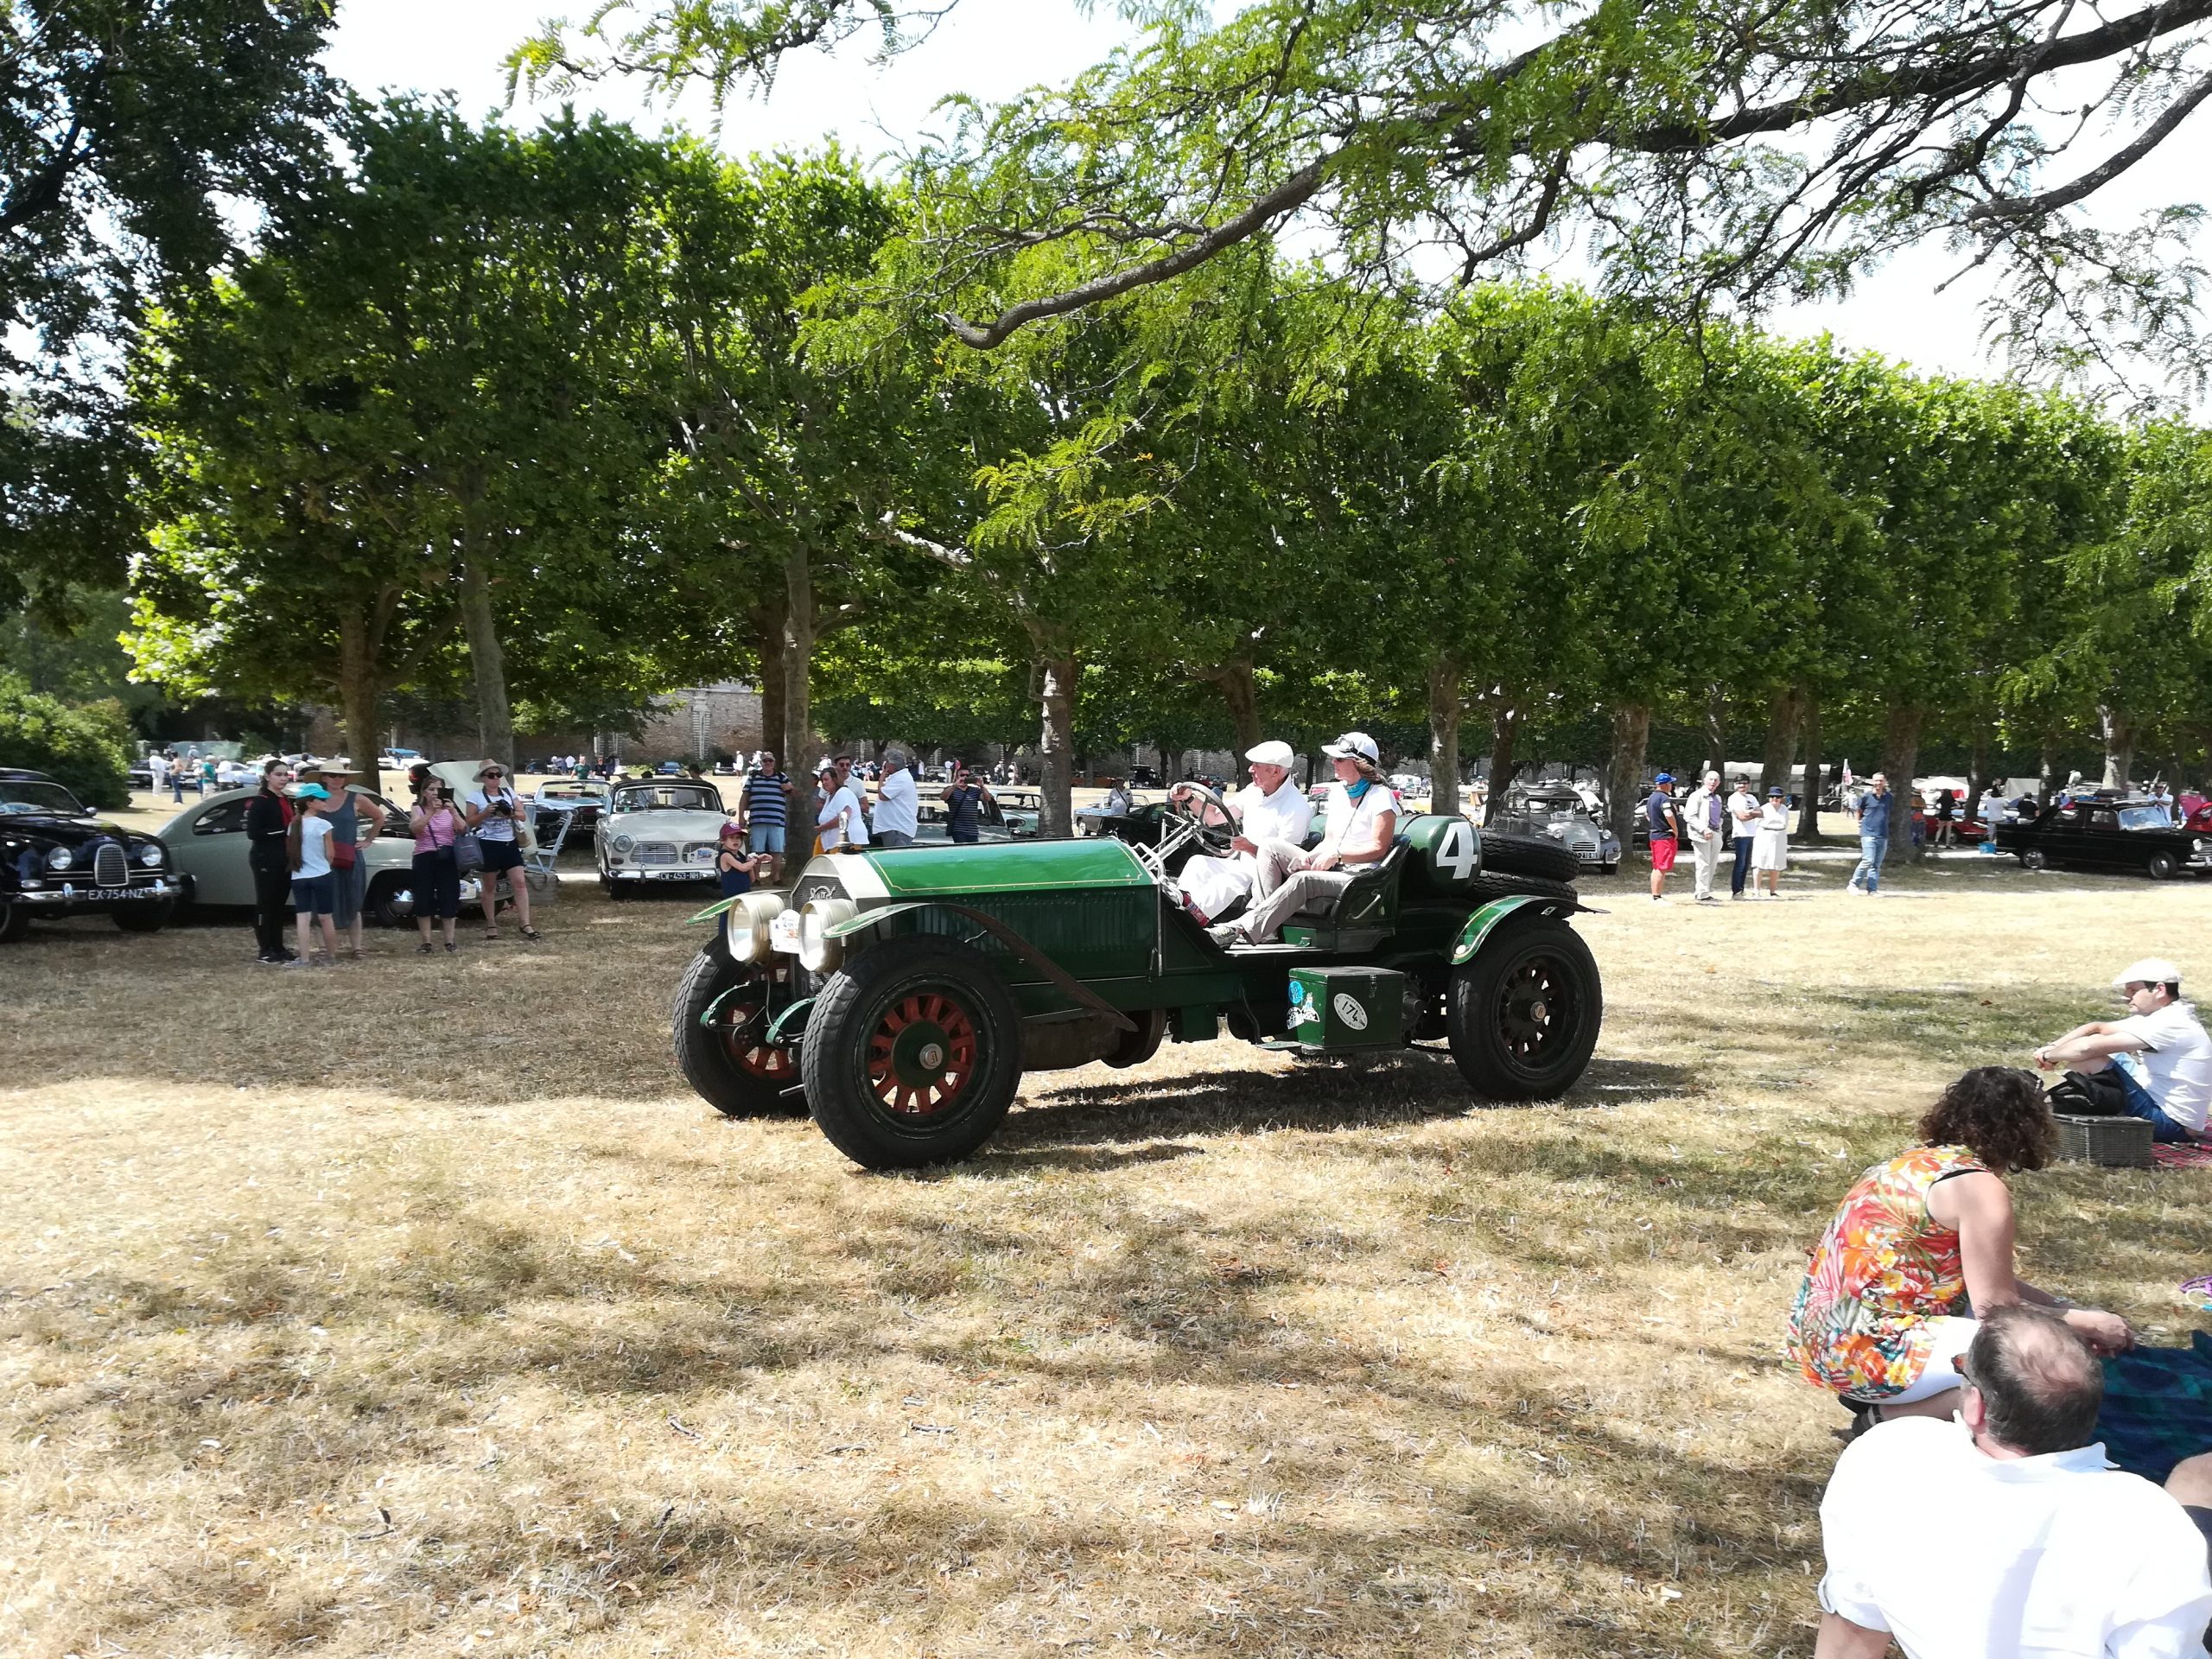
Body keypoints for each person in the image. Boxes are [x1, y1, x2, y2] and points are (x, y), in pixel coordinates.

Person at [1815, 1306, 2212, 1659]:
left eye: (1961, 1369)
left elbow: (1852, 1626)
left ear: (1977, 1405)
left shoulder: (1887, 1458)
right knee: (2196, 1476)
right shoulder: (2146, 1519)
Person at [1788, 1066, 2134, 1436]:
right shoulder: (1979, 1189)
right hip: (1871, 1351)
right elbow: (1996, 1309)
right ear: (2030, 1128)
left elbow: (1981, 1279)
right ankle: (1886, 1418)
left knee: (2042, 1333)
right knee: (2036, 1362)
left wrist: (2067, 1308)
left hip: (1824, 1338)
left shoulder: (1910, 1163)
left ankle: (1893, 1398)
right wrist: (2085, 1324)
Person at [1217, 732, 1396, 946]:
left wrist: (1338, 856)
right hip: (1334, 866)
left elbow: (1379, 848)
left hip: (1358, 876)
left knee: (1302, 880)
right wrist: (1310, 858)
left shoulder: (1381, 796)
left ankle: (1241, 928)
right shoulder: (1339, 792)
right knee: (1269, 846)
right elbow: (1329, 840)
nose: (1333, 762)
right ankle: (1266, 931)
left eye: (1339, 759)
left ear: (1358, 763)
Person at [2033, 958, 2212, 1144]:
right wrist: (2054, 1047)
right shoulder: (2168, 1014)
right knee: (2096, 1046)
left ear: (2159, 990)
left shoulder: (2170, 1024)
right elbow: (2095, 1027)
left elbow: (2085, 1049)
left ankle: (2069, 1112)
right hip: (2157, 1100)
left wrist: (2048, 1056)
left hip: (2172, 1125)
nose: (2126, 996)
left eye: (2133, 990)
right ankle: (2073, 1106)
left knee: (2089, 1059)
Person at [1171, 741, 1313, 925]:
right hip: (1242, 865)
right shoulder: (1253, 792)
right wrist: (1189, 798)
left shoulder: (1296, 808)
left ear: (1275, 772)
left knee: (1223, 883)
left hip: (1264, 878)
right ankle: (1176, 907)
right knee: (1198, 862)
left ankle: (1187, 925)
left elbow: (1285, 864)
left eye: (1257, 766)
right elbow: (1213, 817)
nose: (1250, 770)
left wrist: (1250, 848)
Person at [302, 761, 376, 960]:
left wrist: (368, 840)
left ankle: (357, 947)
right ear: (323, 778)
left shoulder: (356, 798)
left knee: (353, 901)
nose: (337, 779)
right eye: (332, 775)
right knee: (320, 903)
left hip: (348, 857)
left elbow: (379, 817)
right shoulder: (314, 800)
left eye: (341, 776)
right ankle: (323, 947)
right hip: (320, 859)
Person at [463, 760, 540, 942]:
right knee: (489, 886)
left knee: (520, 883)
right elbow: (469, 822)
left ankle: (525, 922)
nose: (496, 779)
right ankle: (491, 924)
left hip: (509, 843)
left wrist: (510, 813)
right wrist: (486, 813)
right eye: (491, 776)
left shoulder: (507, 793)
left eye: (498, 775)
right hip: (488, 844)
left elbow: (522, 814)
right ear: (483, 778)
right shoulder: (475, 796)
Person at [284, 782, 341, 967]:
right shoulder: (323, 825)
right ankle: (331, 957)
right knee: (326, 917)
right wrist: (325, 865)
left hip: (299, 876)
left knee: (303, 918)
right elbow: (330, 854)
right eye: (321, 799)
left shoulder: (293, 825)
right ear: (310, 803)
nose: (325, 801)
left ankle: (305, 958)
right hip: (322, 874)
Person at [407, 774, 465, 954]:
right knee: (423, 896)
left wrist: (453, 811)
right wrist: (431, 812)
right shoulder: (418, 809)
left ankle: (449, 941)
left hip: (447, 856)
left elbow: (463, 829)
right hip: (425, 855)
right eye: (431, 789)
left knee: (449, 896)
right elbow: (415, 829)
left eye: (438, 789)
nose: (434, 793)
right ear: (424, 792)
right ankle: (427, 942)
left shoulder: (450, 810)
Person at [245, 760, 296, 964]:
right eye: (278, 774)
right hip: (265, 857)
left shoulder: (284, 799)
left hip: (284, 857)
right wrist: (283, 832)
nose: (283, 778)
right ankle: (265, 948)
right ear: (268, 776)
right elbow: (253, 833)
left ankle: (278, 946)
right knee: (266, 904)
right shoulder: (261, 801)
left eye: (285, 774)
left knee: (278, 905)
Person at [714, 821, 768, 945]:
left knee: (743, 927)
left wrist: (755, 861)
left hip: (744, 898)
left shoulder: (740, 856)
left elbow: (752, 878)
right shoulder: (725, 856)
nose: (736, 840)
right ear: (723, 840)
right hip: (731, 900)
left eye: (738, 837)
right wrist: (753, 861)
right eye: (731, 837)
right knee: (727, 931)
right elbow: (742, 868)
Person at [738, 749, 791, 875]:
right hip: (757, 820)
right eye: (765, 760)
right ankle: (756, 878)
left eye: (770, 760)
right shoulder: (753, 777)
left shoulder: (781, 777)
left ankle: (776, 878)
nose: (768, 763)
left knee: (777, 850)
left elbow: (793, 793)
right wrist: (741, 817)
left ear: (774, 762)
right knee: (757, 851)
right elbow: (744, 797)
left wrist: (790, 788)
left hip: (777, 820)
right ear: (761, 762)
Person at [1681, 769, 1726, 903]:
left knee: (1712, 865)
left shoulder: (1717, 798)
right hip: (1701, 834)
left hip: (1715, 833)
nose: (1713, 782)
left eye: (1716, 780)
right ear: (1705, 780)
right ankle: (1702, 893)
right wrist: (1703, 829)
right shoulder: (1697, 795)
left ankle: (1705, 891)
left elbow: (1718, 817)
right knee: (1703, 864)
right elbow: (1689, 816)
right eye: (1711, 779)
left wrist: (1719, 830)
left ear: (1719, 783)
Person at [1846, 771, 1891, 894]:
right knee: (1868, 859)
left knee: (1876, 864)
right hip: (1868, 833)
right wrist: (1859, 823)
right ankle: (1853, 884)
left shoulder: (1888, 797)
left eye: (1881, 781)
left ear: (1885, 782)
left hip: (1883, 834)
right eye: (1876, 781)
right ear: (1872, 782)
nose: (1878, 783)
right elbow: (1859, 811)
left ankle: (1872, 889)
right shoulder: (1866, 796)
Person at [816, 758, 870, 853]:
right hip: (834, 843)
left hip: (848, 842)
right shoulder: (829, 797)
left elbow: (844, 817)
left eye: (826, 779)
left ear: (835, 780)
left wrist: (822, 828)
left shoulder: (843, 792)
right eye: (822, 780)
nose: (824, 783)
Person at [1645, 772, 1681, 902]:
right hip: (1664, 836)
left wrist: (1655, 822)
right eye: (1670, 783)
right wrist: (1675, 829)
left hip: (1654, 835)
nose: (1671, 786)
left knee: (1656, 867)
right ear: (1665, 785)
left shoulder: (1651, 798)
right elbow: (1668, 813)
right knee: (1661, 867)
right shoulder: (1664, 799)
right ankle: (1657, 896)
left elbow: (1647, 814)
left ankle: (1656, 894)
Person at [873, 749, 920, 849]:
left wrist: (881, 780)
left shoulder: (901, 779)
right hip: (894, 828)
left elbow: (883, 796)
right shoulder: (899, 777)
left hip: (897, 829)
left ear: (891, 764)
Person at [942, 761, 995, 844]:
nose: (965, 777)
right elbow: (943, 797)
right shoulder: (951, 789)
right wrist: (954, 785)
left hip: (973, 829)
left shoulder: (975, 791)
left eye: (967, 775)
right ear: (957, 777)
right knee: (962, 850)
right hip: (958, 829)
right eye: (962, 775)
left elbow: (987, 799)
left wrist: (982, 786)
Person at [1726, 776, 1760, 899]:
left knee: (1746, 864)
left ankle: (1742, 889)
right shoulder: (1733, 798)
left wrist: (1748, 813)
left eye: (1745, 783)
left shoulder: (1752, 798)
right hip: (1740, 834)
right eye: (1739, 783)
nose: (1742, 786)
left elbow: (1760, 813)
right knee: (1740, 863)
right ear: (1734, 785)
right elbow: (1741, 817)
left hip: (1751, 833)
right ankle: (1736, 891)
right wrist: (1752, 814)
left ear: (1749, 785)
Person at [1752, 784, 1789, 897]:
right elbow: (1756, 824)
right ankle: (1756, 891)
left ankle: (1773, 891)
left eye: (1777, 797)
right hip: (1764, 836)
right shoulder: (1763, 809)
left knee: (1776, 865)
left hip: (1779, 837)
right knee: (1760, 864)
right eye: (1772, 797)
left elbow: (1785, 823)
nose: (1775, 799)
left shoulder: (1784, 809)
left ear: (1781, 798)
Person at [1932, 785, 1957, 849]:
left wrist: (1939, 809)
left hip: (1942, 813)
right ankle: (1947, 844)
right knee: (1948, 830)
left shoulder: (1941, 798)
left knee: (1940, 829)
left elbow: (1935, 805)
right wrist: (1952, 808)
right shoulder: (1951, 798)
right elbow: (1958, 805)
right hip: (1948, 814)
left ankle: (1936, 841)